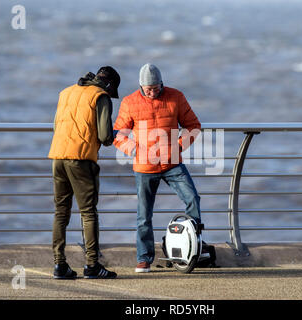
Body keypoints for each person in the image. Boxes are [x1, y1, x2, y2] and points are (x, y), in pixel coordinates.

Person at [113, 63, 202, 273]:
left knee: (193, 198)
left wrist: (178, 147)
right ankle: (144, 258)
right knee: (144, 215)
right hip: (144, 167)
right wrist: (135, 151)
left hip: (172, 163)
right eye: (147, 88)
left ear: (162, 83)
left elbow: (193, 126)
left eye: (155, 87)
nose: (152, 92)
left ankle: (193, 246)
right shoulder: (129, 102)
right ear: (140, 86)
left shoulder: (175, 97)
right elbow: (118, 135)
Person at [48, 66, 120, 279]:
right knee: (88, 213)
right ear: (109, 85)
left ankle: (59, 265)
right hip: (80, 160)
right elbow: (106, 136)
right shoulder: (101, 96)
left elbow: (56, 127)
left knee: (61, 212)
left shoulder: (66, 92)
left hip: (58, 157)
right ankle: (92, 265)